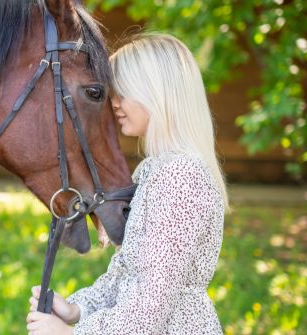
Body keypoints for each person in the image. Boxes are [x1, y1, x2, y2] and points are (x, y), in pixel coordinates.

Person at [25, 33, 230, 335]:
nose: (114, 104)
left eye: (123, 93)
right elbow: (128, 275)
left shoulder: (181, 177)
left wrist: (72, 334)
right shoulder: (154, 171)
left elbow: (152, 306)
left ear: (156, 93)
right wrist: (77, 308)